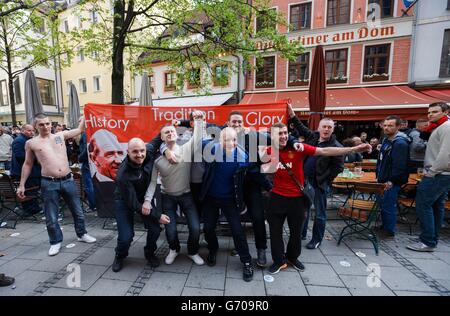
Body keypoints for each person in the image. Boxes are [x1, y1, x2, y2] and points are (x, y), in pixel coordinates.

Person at [262, 122, 371, 274]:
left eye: (285, 133)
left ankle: (292, 258)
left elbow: (325, 151)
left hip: (297, 198)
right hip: (277, 198)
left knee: (296, 232)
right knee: (275, 232)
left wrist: (354, 148)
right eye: (279, 134)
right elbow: (256, 164)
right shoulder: (268, 151)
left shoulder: (297, 148)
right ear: (272, 136)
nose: (283, 136)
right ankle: (278, 261)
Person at [17, 113, 96, 256]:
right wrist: (22, 185)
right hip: (48, 182)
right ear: (36, 126)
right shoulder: (31, 143)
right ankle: (55, 242)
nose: (45, 126)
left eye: (47, 123)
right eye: (41, 124)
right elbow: (27, 164)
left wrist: (86, 115)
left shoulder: (60, 136)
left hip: (67, 180)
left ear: (51, 124)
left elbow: (79, 129)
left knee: (78, 211)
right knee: (51, 216)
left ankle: (82, 234)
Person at [144, 111, 205, 266]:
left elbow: (197, 138)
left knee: (195, 228)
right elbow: (152, 182)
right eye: (166, 132)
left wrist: (198, 120)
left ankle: (192, 251)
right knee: (170, 230)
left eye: (172, 130)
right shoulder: (157, 158)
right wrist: (147, 201)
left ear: (177, 134)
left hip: (186, 195)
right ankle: (174, 249)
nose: (170, 133)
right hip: (167, 197)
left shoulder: (186, 149)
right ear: (162, 138)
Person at [200, 127, 257, 282]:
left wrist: (269, 187)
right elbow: (197, 140)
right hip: (211, 197)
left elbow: (254, 173)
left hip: (230, 199)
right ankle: (213, 249)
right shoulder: (211, 149)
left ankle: (246, 261)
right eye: (226, 140)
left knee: (237, 230)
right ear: (220, 140)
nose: (230, 143)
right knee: (208, 228)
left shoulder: (243, 156)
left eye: (233, 139)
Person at [288, 104, 345, 249]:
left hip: (319, 183)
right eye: (324, 126)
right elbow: (301, 127)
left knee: (319, 213)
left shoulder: (336, 146)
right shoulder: (313, 137)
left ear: (333, 129)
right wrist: (293, 115)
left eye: (329, 127)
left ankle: (316, 239)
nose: (326, 129)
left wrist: (325, 179)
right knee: (303, 210)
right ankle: (301, 234)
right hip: (304, 180)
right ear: (319, 128)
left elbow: (338, 167)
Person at [112, 137, 170, 272]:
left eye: (142, 150)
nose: (140, 155)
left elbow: (161, 135)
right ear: (128, 152)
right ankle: (120, 255)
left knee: (155, 229)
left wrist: (181, 122)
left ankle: (149, 252)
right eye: (135, 152)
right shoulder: (123, 175)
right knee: (126, 237)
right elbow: (134, 204)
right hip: (125, 200)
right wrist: (158, 215)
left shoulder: (148, 151)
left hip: (143, 198)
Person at [407, 102, 450, 252]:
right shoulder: (438, 127)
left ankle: (427, 241)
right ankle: (431, 238)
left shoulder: (446, 127)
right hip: (441, 174)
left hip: (438, 174)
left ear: (445, 112)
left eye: (435, 112)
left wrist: (432, 172)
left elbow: (446, 154)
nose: (430, 115)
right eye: (429, 112)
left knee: (423, 205)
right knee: (437, 207)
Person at [376, 115, 410, 237]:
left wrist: (391, 181)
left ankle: (389, 231)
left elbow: (399, 166)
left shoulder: (400, 143)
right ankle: (385, 226)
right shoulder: (387, 140)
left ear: (398, 127)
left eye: (390, 125)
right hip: (382, 178)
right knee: (383, 203)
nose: (386, 128)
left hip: (391, 181)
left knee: (388, 205)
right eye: (385, 125)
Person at [88, 129, 125, 217]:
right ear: (94, 158)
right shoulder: (97, 184)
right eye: (110, 154)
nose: (118, 160)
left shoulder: (125, 178)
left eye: (120, 153)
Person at [11, 124, 42, 217]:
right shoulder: (19, 141)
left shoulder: (27, 140)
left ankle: (34, 208)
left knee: (33, 190)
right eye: (29, 131)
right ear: (23, 130)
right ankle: (30, 210)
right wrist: (36, 158)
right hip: (24, 171)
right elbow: (20, 156)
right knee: (29, 190)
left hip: (32, 171)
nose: (31, 132)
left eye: (32, 130)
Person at [78, 132, 96, 212]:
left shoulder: (86, 133)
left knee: (89, 185)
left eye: (80, 121)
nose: (79, 122)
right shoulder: (90, 132)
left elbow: (87, 148)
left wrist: (80, 158)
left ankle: (93, 205)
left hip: (87, 162)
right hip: (91, 161)